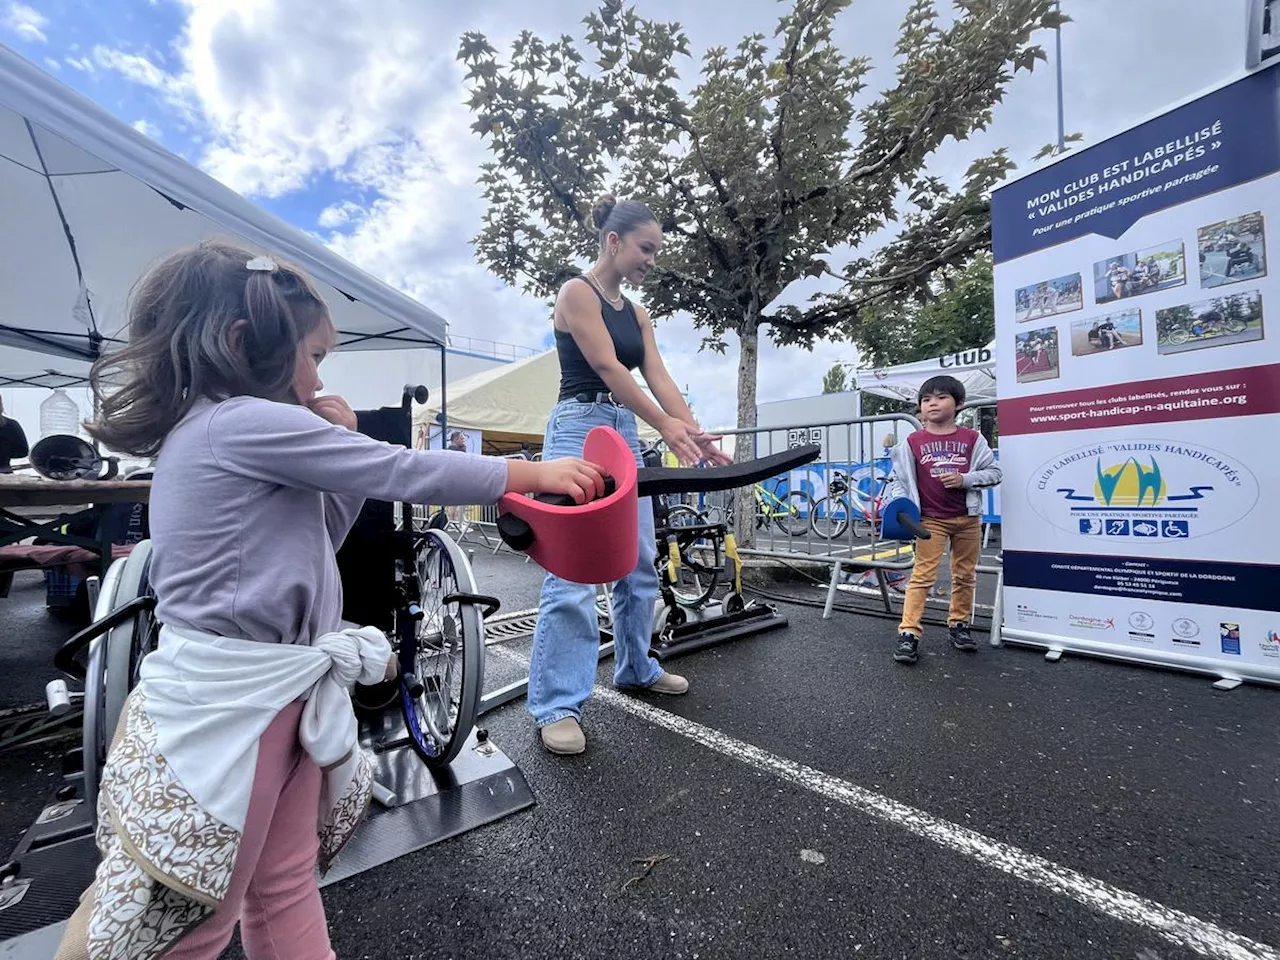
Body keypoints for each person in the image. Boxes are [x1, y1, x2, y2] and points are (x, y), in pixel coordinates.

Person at [54, 238, 604, 960]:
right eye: (312, 355)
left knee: (276, 885)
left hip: (275, 698)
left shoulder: (218, 431)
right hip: (240, 708)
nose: (318, 376)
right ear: (242, 342)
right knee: (204, 914)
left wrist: (337, 453)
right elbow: (400, 467)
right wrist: (528, 472)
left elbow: (322, 534)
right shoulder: (238, 423)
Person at [530, 194, 732, 756]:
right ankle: (557, 704)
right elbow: (606, 367)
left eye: (656, 251)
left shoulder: (637, 313)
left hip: (627, 427)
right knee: (572, 573)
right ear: (614, 241)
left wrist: (690, 433)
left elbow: (658, 376)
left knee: (638, 560)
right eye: (646, 248)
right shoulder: (576, 292)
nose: (651, 260)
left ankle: (636, 667)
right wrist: (665, 426)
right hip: (580, 428)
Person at [885, 375, 1001, 665]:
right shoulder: (911, 441)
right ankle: (909, 633)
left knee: (965, 575)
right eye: (926, 400)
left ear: (958, 404)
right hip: (929, 521)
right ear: (920, 409)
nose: (932, 403)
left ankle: (959, 625)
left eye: (940, 397)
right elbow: (899, 480)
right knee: (922, 576)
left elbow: (995, 473)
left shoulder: (973, 439)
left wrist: (965, 479)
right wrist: (902, 506)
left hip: (967, 519)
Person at [0, 395, 28, 473]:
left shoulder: (11, 425)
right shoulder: (11, 424)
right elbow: (22, 451)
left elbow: (23, 451)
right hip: (4, 473)